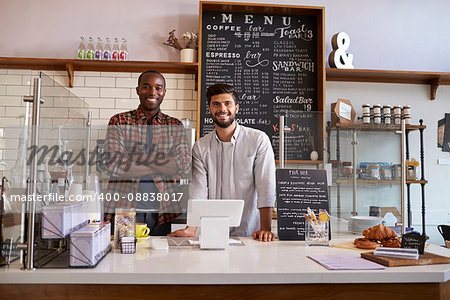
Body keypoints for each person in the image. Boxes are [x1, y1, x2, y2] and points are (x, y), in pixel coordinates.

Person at [169, 83, 276, 241]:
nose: (222, 108)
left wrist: (265, 229)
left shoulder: (258, 140)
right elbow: (198, 192)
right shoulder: (201, 147)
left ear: (236, 108)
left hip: (250, 234)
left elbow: (265, 186)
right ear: (210, 109)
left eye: (227, 103)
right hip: (212, 233)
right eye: (216, 104)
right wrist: (191, 228)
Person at [104, 70, 191, 236]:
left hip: (162, 213)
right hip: (125, 209)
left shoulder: (174, 124)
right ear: (138, 90)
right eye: (146, 87)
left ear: (164, 92)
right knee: (124, 260)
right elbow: (114, 166)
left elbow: (183, 166)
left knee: (158, 260)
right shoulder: (119, 121)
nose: (152, 92)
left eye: (158, 88)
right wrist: (163, 163)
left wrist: (135, 160)